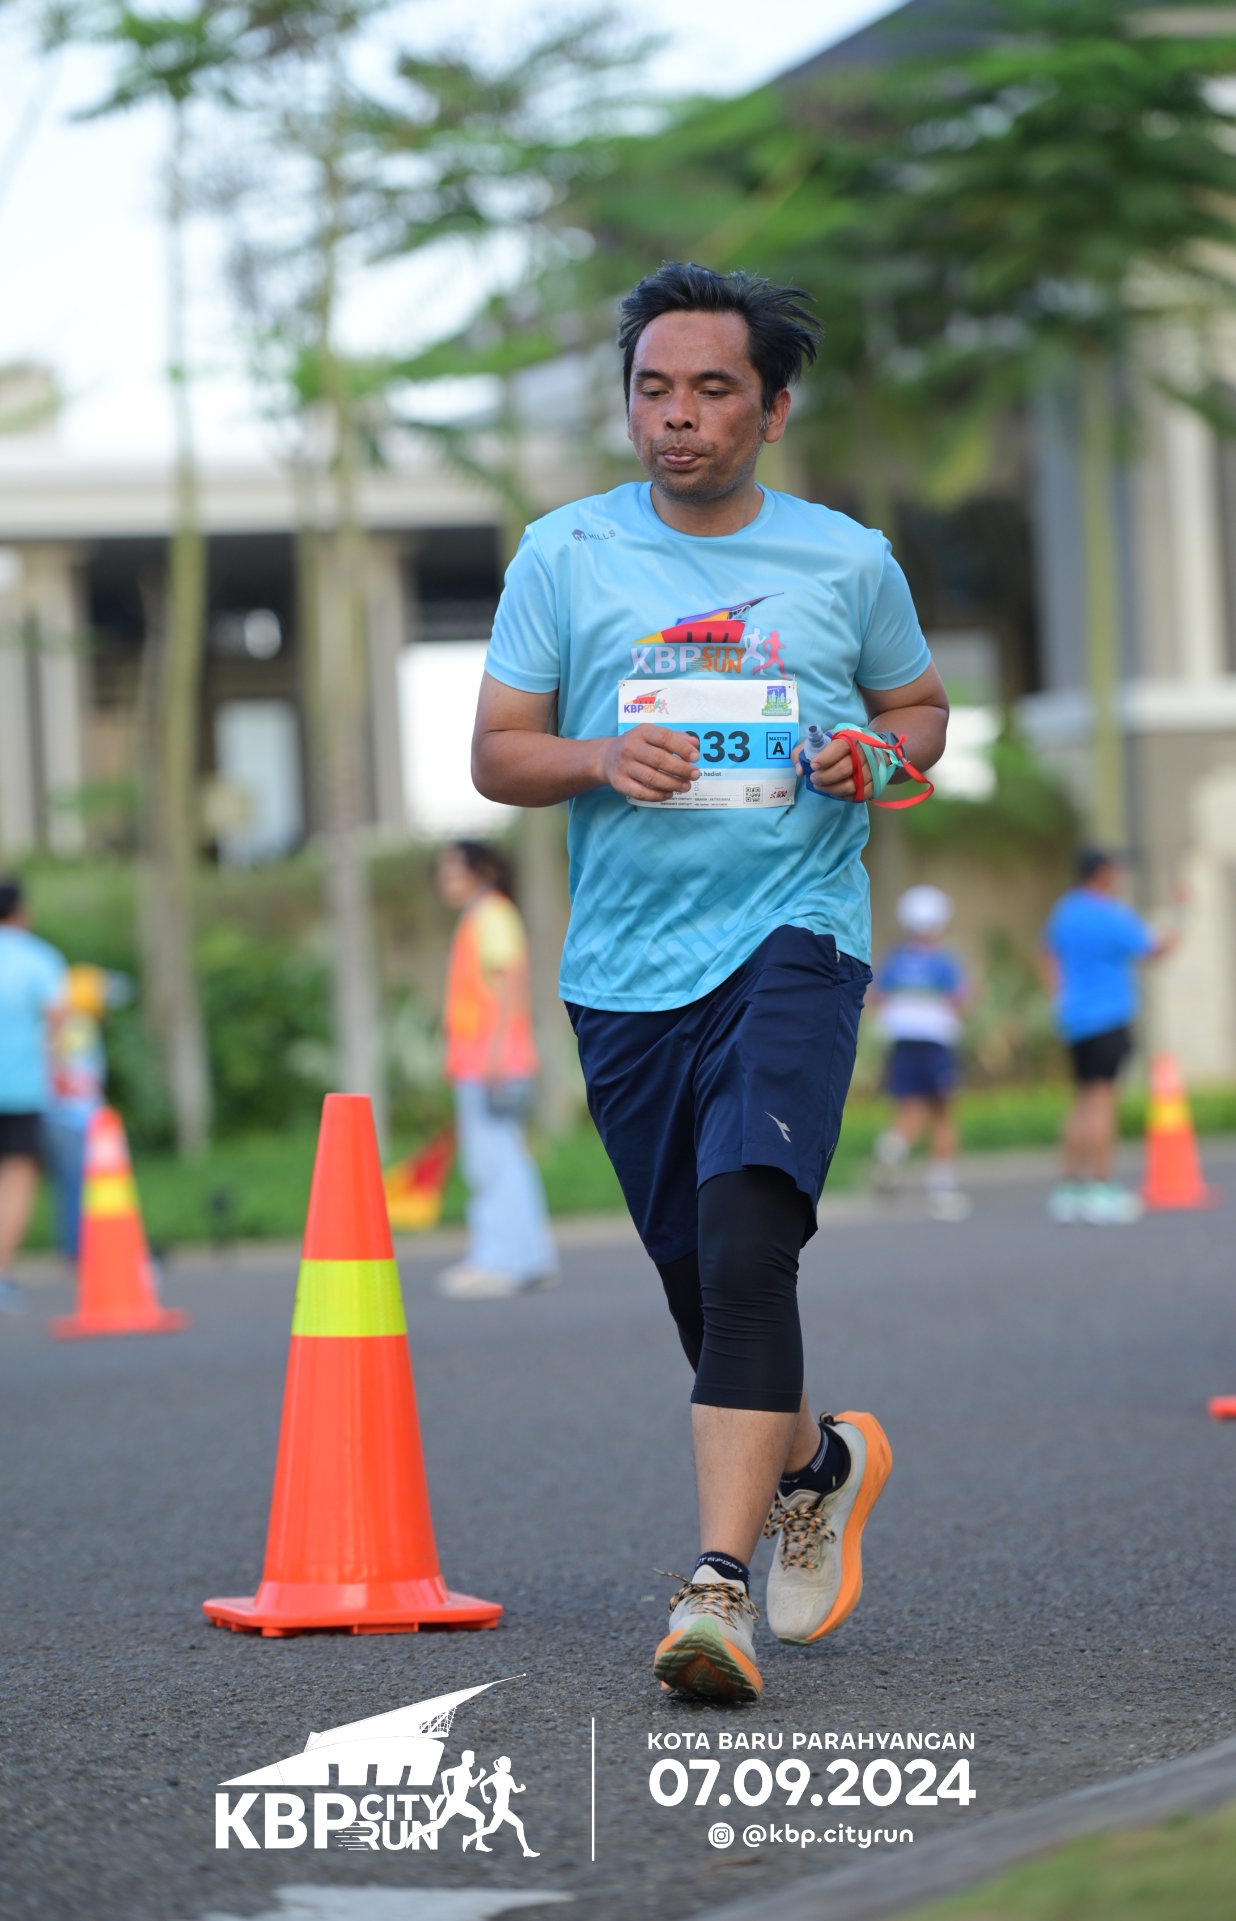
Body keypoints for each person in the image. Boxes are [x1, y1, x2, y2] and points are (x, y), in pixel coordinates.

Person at [470, 261, 948, 1703]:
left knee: (749, 1244)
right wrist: (598, 753)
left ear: (773, 411)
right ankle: (814, 1465)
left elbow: (917, 709)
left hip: (796, 934)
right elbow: (498, 751)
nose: (676, 415)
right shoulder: (563, 555)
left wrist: (878, 755)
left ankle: (715, 1590)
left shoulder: (847, 561)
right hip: (624, 972)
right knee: (697, 1278)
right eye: (653, 389)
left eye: (712, 390)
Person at [435, 839, 558, 1299]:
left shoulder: (490, 914)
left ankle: (501, 1261)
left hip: (490, 1061)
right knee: (503, 1158)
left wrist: (494, 1055)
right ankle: (525, 1257)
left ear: (481, 871)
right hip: (488, 1058)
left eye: (453, 871)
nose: (445, 880)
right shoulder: (485, 914)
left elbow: (507, 984)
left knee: (492, 1163)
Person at [1040, 848, 1175, 1225]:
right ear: (1101, 874)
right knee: (1103, 1101)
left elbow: (1047, 953)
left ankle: (1069, 1188)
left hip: (1075, 1020)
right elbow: (1157, 949)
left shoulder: (1067, 910)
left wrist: (1060, 995)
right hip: (1108, 1019)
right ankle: (1101, 1185)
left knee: (1083, 1100)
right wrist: (1181, 914)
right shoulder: (1110, 914)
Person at [0, 877, 66, 1313]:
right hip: (23, 1084)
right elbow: (57, 1019)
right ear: (20, 909)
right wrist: (57, 1066)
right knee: (20, 1174)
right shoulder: (37, 957)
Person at [871, 884, 972, 1221]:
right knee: (943, 1112)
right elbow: (961, 1000)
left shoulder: (895, 960)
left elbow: (876, 997)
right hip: (936, 1043)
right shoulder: (943, 961)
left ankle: (891, 1151)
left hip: (902, 1042)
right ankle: (942, 1188)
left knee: (909, 1105)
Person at [44, 964, 135, 1258]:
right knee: (78, 1185)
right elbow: (73, 1075)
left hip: (61, 1115)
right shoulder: (78, 1025)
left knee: (72, 1184)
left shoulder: (61, 1023)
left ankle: (79, 1246)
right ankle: (80, 1249)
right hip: (73, 1117)